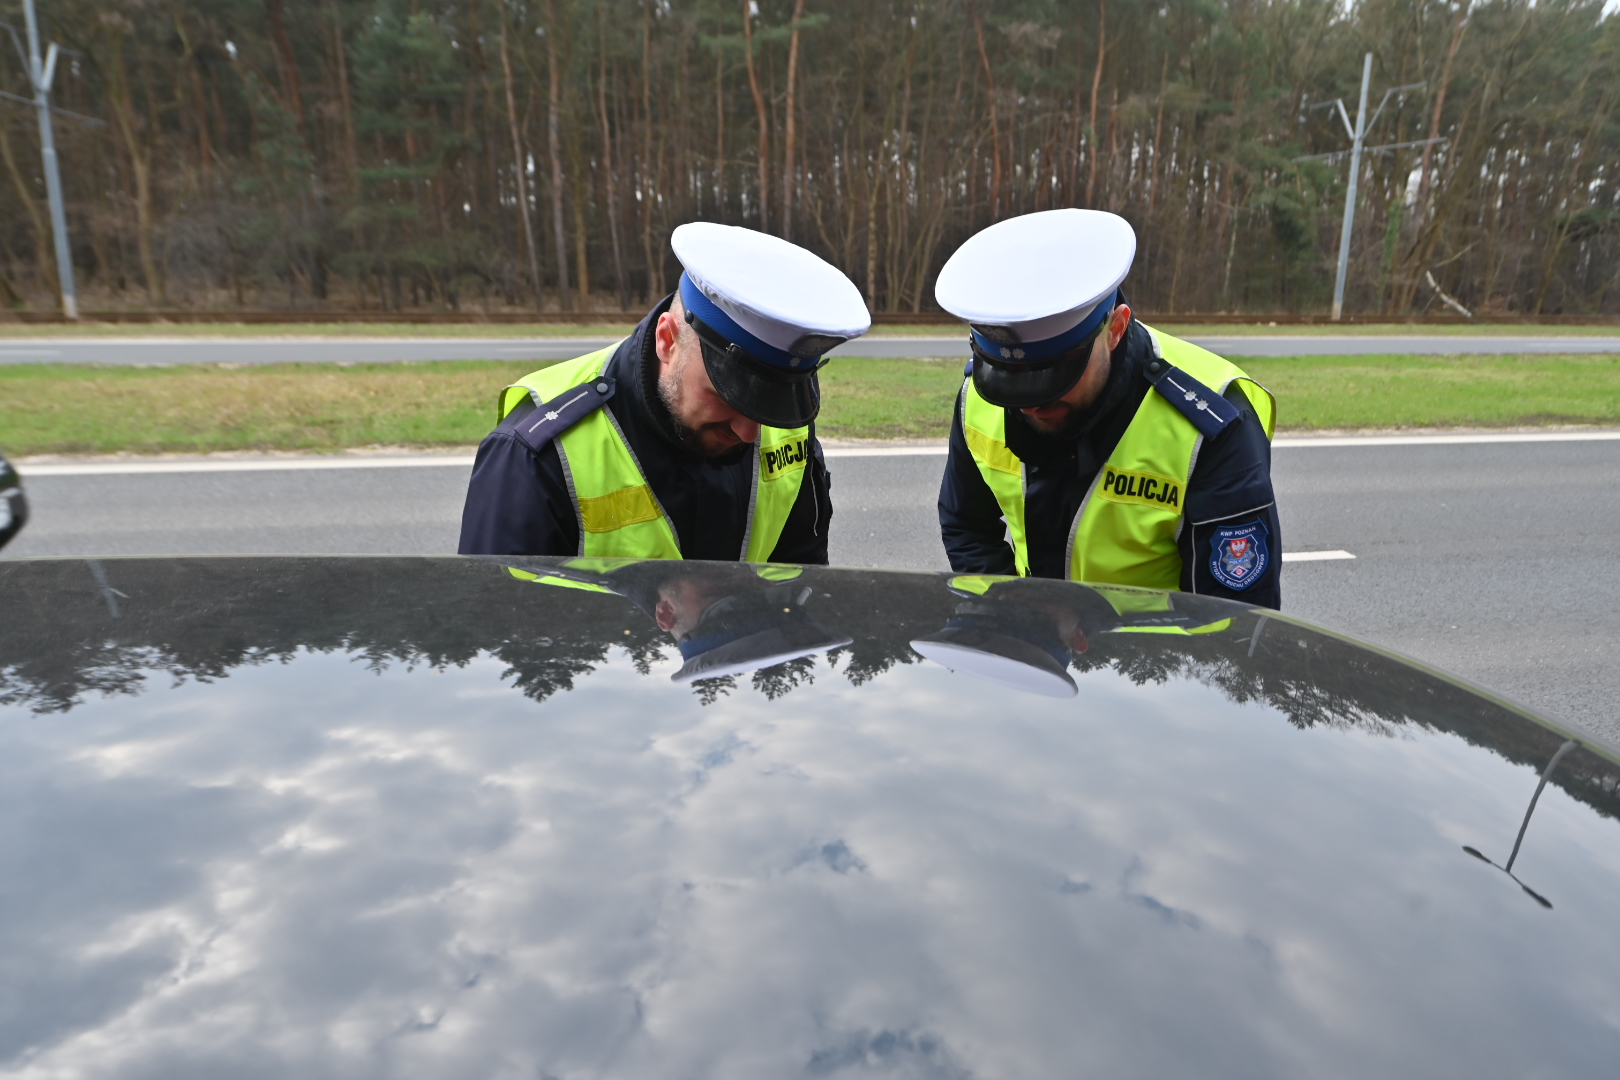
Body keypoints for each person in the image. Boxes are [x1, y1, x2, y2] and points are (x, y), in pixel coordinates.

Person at [459, 222, 870, 563]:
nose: (750, 431)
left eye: (769, 405)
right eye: (729, 395)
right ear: (667, 340)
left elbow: (800, 587)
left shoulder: (787, 427)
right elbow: (503, 638)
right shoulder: (538, 452)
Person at [933, 209, 1281, 609]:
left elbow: (1233, 620)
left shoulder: (1211, 422)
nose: (1029, 405)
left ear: (1115, 328)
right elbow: (967, 525)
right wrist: (1011, 619)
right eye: (1008, 376)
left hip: (1150, 664)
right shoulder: (978, 398)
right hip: (1034, 658)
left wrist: (1100, 637)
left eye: (1054, 377)